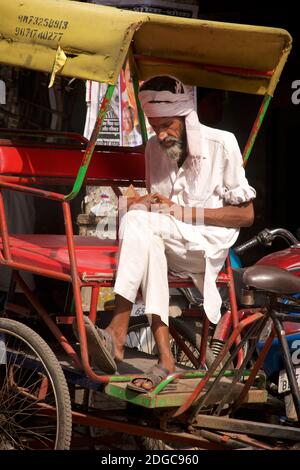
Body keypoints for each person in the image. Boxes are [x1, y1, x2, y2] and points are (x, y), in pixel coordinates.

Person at [81, 75, 256, 392]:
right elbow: (156, 211)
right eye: (154, 125)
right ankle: (165, 358)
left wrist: (184, 212)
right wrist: (143, 204)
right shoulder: (153, 148)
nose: (161, 135)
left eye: (168, 125)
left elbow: (246, 215)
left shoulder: (223, 143)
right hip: (167, 239)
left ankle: (118, 328)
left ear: (187, 118)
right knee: (143, 227)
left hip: (207, 247)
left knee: (141, 226)